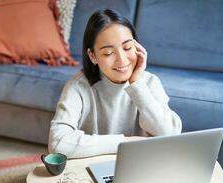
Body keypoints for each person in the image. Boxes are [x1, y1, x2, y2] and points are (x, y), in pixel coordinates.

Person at [48, 9, 182, 158]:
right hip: (93, 167)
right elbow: (58, 144)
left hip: (140, 165)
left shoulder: (150, 82)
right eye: (108, 53)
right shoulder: (78, 86)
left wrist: (137, 84)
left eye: (127, 48)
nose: (122, 60)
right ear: (93, 56)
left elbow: (170, 134)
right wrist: (126, 143)